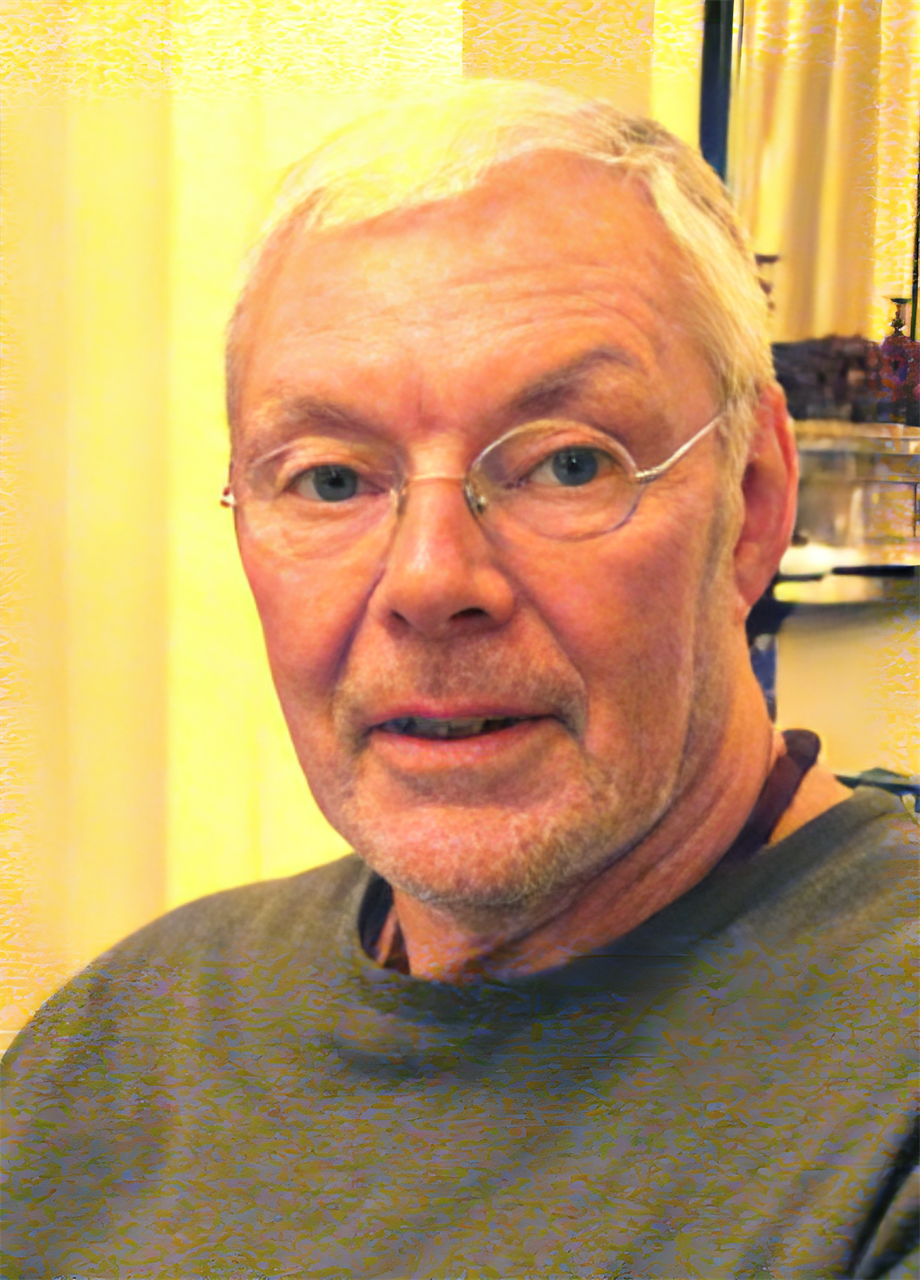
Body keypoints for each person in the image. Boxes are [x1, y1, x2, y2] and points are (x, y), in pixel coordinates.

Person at [2, 80, 917, 1279]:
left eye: (567, 464)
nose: (430, 578)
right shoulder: (125, 1040)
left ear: (749, 504)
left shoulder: (878, 1097)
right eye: (330, 479)